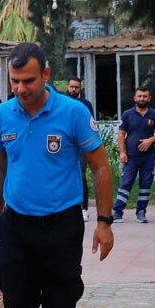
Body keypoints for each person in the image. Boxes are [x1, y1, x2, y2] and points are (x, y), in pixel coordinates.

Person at [0, 42, 114, 308]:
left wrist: (105, 221)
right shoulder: (2, 116)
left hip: (61, 226)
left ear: (46, 75)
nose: (21, 88)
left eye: (28, 80)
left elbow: (101, 166)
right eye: (14, 81)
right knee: (19, 307)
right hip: (17, 227)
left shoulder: (73, 113)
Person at [111, 86, 155, 223]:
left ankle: (141, 212)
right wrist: (122, 152)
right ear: (135, 98)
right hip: (131, 156)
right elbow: (121, 134)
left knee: (146, 184)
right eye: (140, 96)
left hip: (148, 157)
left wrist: (150, 140)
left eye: (145, 96)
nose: (142, 99)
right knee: (126, 183)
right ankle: (117, 212)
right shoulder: (127, 114)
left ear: (149, 98)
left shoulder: (154, 115)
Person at [66, 77, 95, 222]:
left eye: (76, 87)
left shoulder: (86, 104)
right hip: (65, 145)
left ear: (80, 88)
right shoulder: (62, 103)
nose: (73, 90)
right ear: (67, 87)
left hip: (81, 145)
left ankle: (84, 209)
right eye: (71, 87)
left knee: (81, 175)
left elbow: (91, 125)